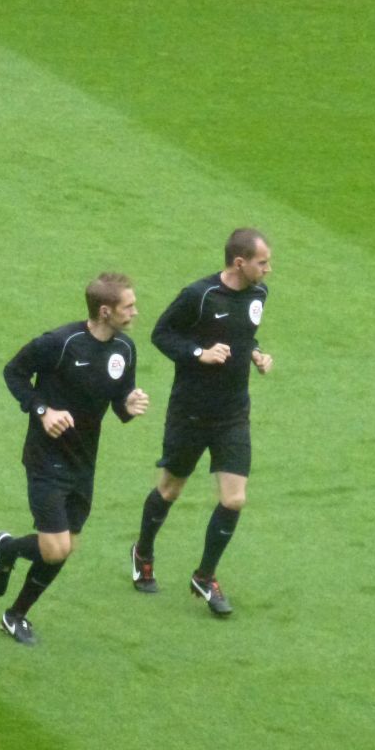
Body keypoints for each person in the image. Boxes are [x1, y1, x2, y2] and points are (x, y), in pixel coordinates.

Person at [0, 273, 149, 645]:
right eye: (129, 306)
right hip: (46, 457)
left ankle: (15, 609)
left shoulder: (125, 350)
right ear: (105, 311)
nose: (136, 312)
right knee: (55, 547)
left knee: (65, 548)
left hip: (84, 460)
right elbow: (14, 373)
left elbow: (118, 399)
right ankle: (8, 556)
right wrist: (43, 410)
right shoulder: (60, 343)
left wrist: (129, 405)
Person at [130, 228, 274, 617]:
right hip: (190, 412)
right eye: (263, 262)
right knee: (171, 488)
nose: (269, 269)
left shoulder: (260, 294)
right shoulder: (200, 295)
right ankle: (142, 551)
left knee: (234, 498)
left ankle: (205, 576)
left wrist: (257, 354)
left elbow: (244, 334)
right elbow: (162, 334)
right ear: (239, 263)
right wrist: (199, 353)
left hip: (233, 414)